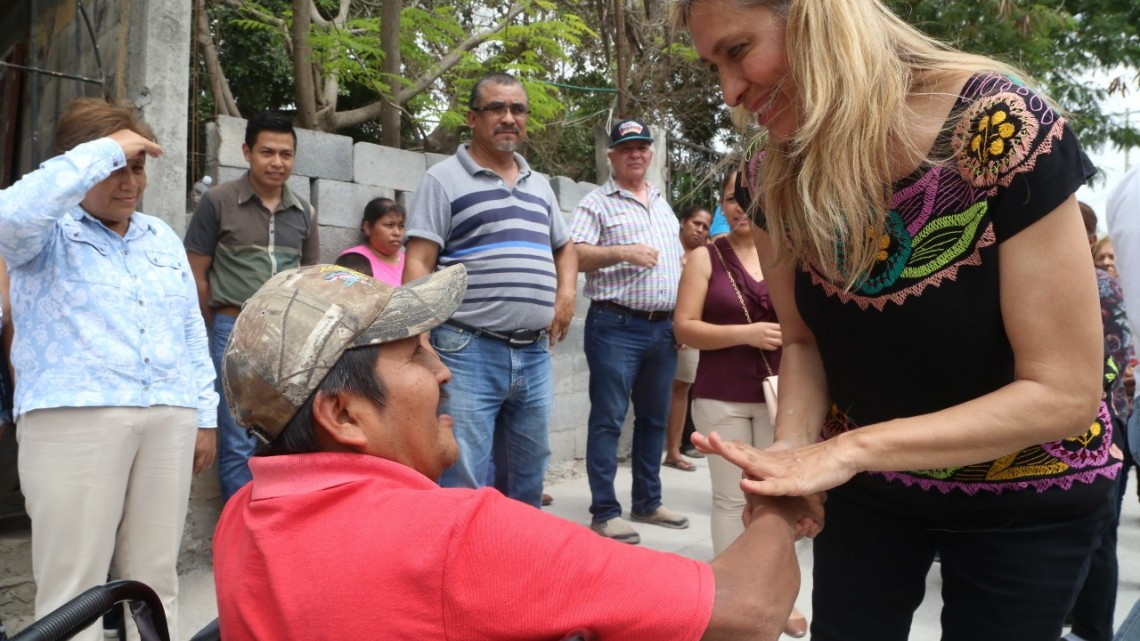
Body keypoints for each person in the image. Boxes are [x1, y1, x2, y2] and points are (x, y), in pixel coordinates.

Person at [675, 1, 1120, 639]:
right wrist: (790, 455)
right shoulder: (772, 174)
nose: (731, 92)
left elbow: (1064, 392)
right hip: (869, 488)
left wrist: (846, 450)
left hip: (1031, 488)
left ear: (817, 16)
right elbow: (803, 342)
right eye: (713, 65)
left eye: (739, 51)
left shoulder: (1000, 128)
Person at [212, 262, 816, 641]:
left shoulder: (243, 516)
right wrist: (782, 500)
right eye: (417, 354)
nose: (444, 371)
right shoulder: (456, 537)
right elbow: (747, 612)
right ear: (343, 413)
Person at [0, 98, 217, 641]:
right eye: (114, 168)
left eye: (137, 168)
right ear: (81, 165)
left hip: (168, 415)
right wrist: (102, 151)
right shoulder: (42, 233)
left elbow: (190, 328)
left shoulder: (160, 236)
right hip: (73, 417)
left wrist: (205, 414)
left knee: (155, 576)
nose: (130, 182)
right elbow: (9, 214)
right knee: (73, 591)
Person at [403, 71, 577, 508]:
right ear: (472, 118)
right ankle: (460, 570)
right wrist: (421, 340)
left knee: (530, 469)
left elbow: (565, 248)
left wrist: (566, 296)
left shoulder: (540, 185)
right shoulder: (443, 179)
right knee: (462, 469)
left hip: (535, 354)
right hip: (467, 349)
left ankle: (519, 565)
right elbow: (419, 261)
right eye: (496, 108)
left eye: (517, 109)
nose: (508, 118)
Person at [674, 169, 807, 637]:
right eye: (732, 198)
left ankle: (778, 600)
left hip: (783, 399)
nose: (740, 207)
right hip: (721, 394)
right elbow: (684, 328)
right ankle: (728, 602)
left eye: (751, 196)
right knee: (730, 500)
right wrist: (746, 334)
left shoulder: (791, 251)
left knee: (778, 501)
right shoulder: (705, 258)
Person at [184, 110, 319, 501]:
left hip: (286, 338)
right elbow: (195, 275)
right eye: (267, 152)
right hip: (232, 330)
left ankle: (273, 532)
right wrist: (217, 328)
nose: (277, 162)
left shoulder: (305, 212)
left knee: (283, 436)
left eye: (286, 154)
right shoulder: (218, 202)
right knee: (238, 443)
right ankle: (241, 545)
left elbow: (308, 279)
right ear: (246, 152)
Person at [570, 118, 690, 543]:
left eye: (642, 147)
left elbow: (678, 262)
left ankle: (647, 502)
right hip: (615, 325)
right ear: (612, 156)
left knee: (654, 420)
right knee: (608, 419)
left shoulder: (661, 201)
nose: (636, 153)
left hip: (662, 328)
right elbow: (574, 256)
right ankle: (605, 511)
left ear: (650, 153)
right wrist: (622, 252)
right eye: (627, 148)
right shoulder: (596, 204)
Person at [665, 204, 713, 472]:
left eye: (705, 227)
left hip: (688, 334)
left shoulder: (704, 257)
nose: (700, 229)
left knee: (682, 387)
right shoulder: (667, 249)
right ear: (682, 222)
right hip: (658, 326)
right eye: (696, 222)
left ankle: (674, 450)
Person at [335, 197, 406, 285]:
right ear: (367, 227)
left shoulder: (410, 262)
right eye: (389, 225)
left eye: (401, 226)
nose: (397, 233)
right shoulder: (353, 260)